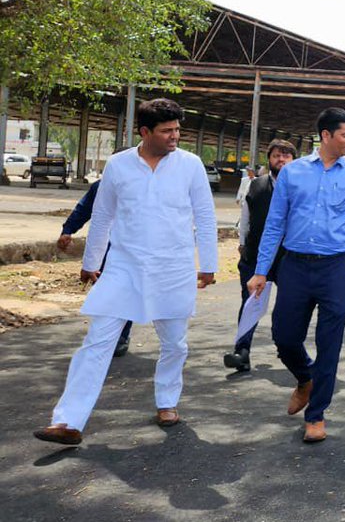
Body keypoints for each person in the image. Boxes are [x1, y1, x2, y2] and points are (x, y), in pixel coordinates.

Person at [35, 99, 217, 445]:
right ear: (144, 131)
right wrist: (90, 262)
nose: (175, 136)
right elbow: (103, 214)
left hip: (173, 268)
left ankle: (167, 401)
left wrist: (208, 264)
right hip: (124, 267)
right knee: (96, 342)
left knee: (174, 344)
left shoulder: (190, 166)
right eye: (167, 131)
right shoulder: (118, 165)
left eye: (178, 129)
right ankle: (68, 421)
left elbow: (205, 216)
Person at [248, 107, 345, 444]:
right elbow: (274, 224)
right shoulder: (293, 173)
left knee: (329, 342)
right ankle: (305, 377)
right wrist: (261, 271)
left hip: (338, 266)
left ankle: (316, 415)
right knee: (284, 336)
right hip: (296, 265)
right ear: (326, 135)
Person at [224, 139, 297, 372]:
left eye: (287, 155)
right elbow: (245, 218)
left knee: (288, 306)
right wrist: (242, 243)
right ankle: (241, 351)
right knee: (250, 302)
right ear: (269, 159)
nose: (281, 159)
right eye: (277, 155)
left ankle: (287, 350)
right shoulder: (255, 186)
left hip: (290, 257)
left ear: (294, 160)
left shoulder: (301, 186)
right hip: (256, 255)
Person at [56, 166, 134, 358]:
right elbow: (83, 209)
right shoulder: (100, 187)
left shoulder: (147, 188)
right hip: (105, 251)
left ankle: (121, 336)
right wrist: (68, 230)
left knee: (129, 293)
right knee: (108, 292)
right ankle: (109, 334)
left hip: (135, 251)